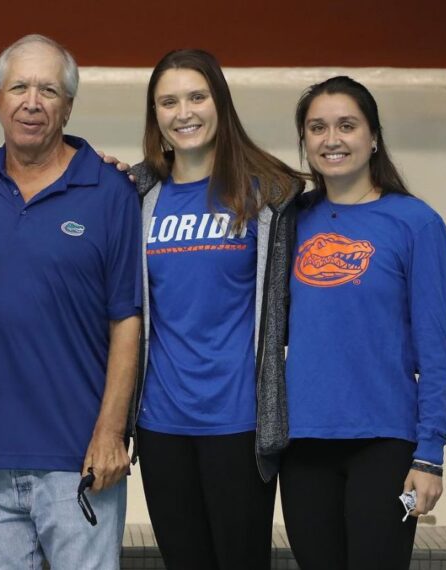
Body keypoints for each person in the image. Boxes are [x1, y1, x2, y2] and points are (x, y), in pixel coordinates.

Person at [0, 35, 142, 570]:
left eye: (48, 90)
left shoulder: (111, 192)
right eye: (18, 87)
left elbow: (126, 321)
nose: (31, 102)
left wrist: (112, 433)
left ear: (68, 105)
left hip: (79, 458)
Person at [130, 49, 303, 569]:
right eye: (168, 101)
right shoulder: (135, 194)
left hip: (240, 423)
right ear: (155, 115)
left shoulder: (272, 194)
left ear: (220, 104)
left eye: (197, 96)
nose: (184, 112)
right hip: (161, 423)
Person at [280, 75, 446, 570]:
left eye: (347, 125)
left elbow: (437, 350)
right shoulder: (289, 220)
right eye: (317, 127)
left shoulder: (416, 223)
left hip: (386, 447)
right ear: (305, 141)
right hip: (304, 444)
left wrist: (429, 456)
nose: (331, 139)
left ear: (373, 136)